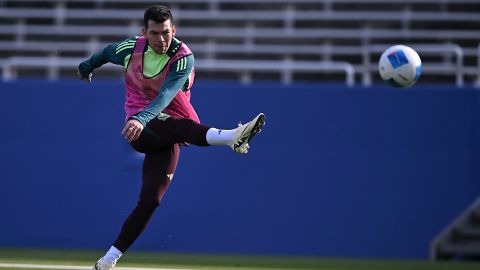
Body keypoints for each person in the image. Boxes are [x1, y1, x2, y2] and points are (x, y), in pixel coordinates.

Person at [77, 4, 266, 270]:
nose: (161, 39)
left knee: (151, 200)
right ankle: (232, 136)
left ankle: (108, 261)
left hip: (165, 128)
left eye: (166, 32)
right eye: (155, 33)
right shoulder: (131, 48)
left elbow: (165, 95)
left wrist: (142, 118)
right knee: (178, 127)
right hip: (140, 128)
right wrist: (86, 67)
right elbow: (106, 53)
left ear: (173, 30)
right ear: (144, 32)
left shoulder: (183, 57)